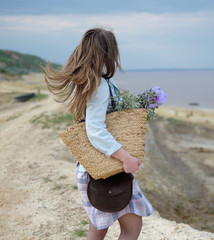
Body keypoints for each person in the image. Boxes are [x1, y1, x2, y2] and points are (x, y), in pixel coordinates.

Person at [41, 27, 154, 240]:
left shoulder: (87, 81)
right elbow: (95, 130)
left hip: (92, 167)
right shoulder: (100, 85)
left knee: (98, 227)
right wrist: (126, 157)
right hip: (106, 169)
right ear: (107, 53)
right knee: (132, 227)